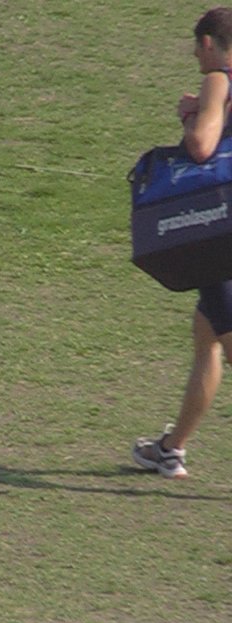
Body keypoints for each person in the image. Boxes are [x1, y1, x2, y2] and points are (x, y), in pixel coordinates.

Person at [133, 7, 232, 479]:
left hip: (219, 235)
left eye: (197, 46)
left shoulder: (218, 79)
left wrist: (193, 115)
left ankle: (172, 452)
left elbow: (201, 147)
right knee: (206, 335)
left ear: (209, 43)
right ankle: (171, 449)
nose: (195, 55)